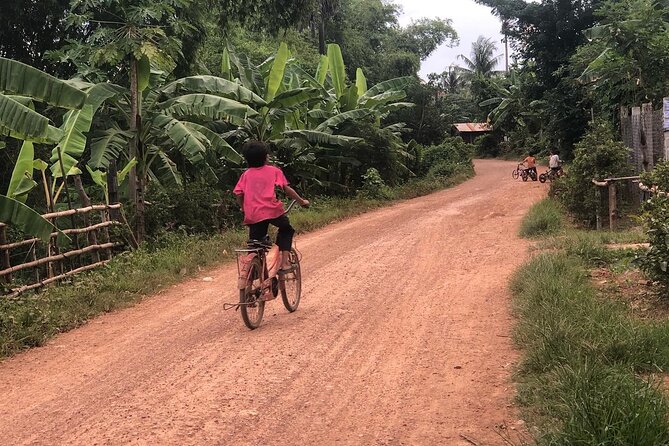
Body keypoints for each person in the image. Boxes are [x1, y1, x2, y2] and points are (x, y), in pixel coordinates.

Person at [233, 141, 309, 273]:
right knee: (286, 230)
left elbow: (239, 194)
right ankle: (284, 263)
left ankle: (254, 272)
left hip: (253, 215)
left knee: (255, 243)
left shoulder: (245, 175)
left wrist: (243, 208)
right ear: (265, 157)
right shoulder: (274, 171)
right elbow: (286, 189)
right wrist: (301, 201)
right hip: (272, 211)